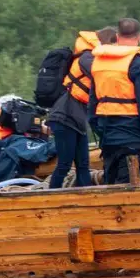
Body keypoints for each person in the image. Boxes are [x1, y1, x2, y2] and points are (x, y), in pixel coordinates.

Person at [91, 17, 140, 185]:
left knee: (111, 191)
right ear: (139, 37)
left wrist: (102, 133)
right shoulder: (139, 63)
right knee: (133, 195)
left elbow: (92, 106)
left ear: (117, 35)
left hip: (108, 139)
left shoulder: (100, 62)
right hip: (135, 140)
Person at [47, 26, 116, 188]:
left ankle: (87, 198)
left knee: (83, 165)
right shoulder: (86, 57)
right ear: (106, 42)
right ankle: (49, 200)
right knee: (64, 164)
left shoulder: (90, 55)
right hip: (64, 117)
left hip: (77, 119)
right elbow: (99, 74)